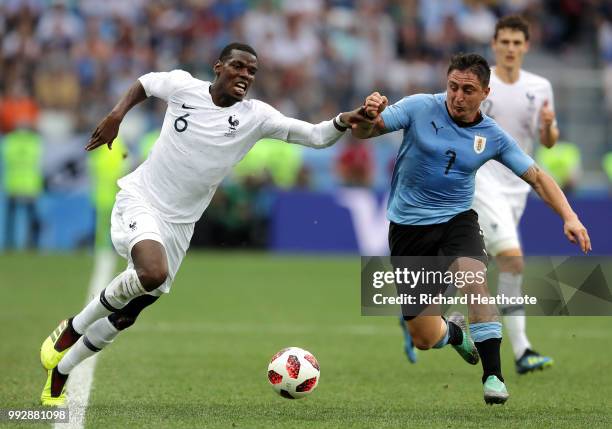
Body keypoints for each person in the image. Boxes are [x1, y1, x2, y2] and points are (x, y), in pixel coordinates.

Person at [39, 42, 368, 406]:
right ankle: (72, 327)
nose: (245, 75)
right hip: (141, 199)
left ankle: (64, 368)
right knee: (151, 273)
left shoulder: (256, 116)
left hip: (181, 225)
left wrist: (343, 120)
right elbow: (145, 83)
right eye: (238, 67)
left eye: (251, 71)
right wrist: (117, 115)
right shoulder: (184, 88)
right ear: (218, 67)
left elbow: (317, 136)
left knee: (129, 313)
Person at [353, 53, 590, 404]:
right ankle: (453, 332)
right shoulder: (420, 107)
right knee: (423, 336)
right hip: (408, 229)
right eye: (452, 87)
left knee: (472, 278)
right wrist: (367, 115)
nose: (458, 97)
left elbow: (537, 177)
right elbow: (365, 131)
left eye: (468, 89)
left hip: (457, 221)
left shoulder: (492, 136)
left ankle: (493, 375)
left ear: (485, 94)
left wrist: (569, 216)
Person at [471, 15, 560, 374]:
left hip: (516, 188)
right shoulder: (480, 83)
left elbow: (550, 141)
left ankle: (438, 318)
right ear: (494, 45)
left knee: (484, 263)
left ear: (526, 46)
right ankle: (522, 350)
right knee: (513, 259)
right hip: (482, 181)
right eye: (503, 42)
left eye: (516, 43)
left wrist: (548, 126)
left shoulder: (540, 87)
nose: (510, 48)